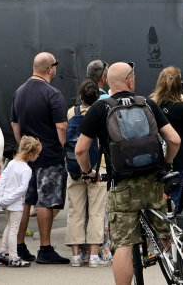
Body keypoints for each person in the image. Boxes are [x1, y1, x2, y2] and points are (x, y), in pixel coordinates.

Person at [75, 62, 181, 285]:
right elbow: (174, 139)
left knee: (123, 243)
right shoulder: (148, 103)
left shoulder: (99, 108)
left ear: (108, 82)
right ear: (130, 80)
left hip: (121, 185)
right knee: (167, 232)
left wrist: (88, 172)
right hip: (152, 180)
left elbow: (81, 149)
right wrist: (167, 163)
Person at [9, 51, 69, 264]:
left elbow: (15, 124)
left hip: (27, 156)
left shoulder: (19, 92)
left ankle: (19, 246)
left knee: (26, 202)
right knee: (46, 201)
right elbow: (61, 126)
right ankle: (45, 248)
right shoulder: (52, 94)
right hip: (49, 155)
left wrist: (23, 147)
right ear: (49, 68)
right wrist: (62, 147)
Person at [65, 80, 111, 267]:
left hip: (75, 167)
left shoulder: (71, 112)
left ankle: (76, 256)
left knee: (75, 211)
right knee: (96, 212)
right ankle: (93, 256)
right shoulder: (102, 111)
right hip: (97, 166)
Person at [150, 66, 183, 212]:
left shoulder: (151, 103)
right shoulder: (180, 108)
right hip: (176, 158)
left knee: (155, 197)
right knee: (173, 198)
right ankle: (169, 230)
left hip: (154, 157)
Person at [0, 135, 41, 267]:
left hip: (5, 200)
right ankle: (14, 257)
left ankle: (3, 251)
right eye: (37, 154)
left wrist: (1, 197)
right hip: (15, 204)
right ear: (31, 154)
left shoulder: (11, 163)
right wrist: (8, 199)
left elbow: (2, 178)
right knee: (14, 229)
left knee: (9, 226)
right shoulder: (26, 169)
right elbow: (22, 190)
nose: (37, 157)